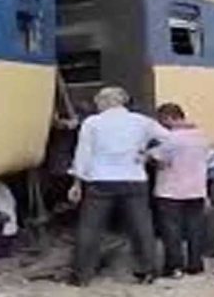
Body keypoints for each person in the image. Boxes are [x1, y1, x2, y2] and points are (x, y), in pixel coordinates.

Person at [67, 86, 171, 286]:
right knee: (141, 226)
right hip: (134, 179)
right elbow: (170, 139)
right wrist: (150, 154)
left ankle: (81, 274)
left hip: (100, 181)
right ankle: (147, 271)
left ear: (105, 102)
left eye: (98, 101)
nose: (96, 105)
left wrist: (77, 182)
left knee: (90, 228)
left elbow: (83, 154)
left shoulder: (92, 123)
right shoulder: (142, 121)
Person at [149, 103, 211, 278]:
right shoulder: (201, 136)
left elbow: (160, 160)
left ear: (169, 117)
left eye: (162, 120)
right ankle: (195, 264)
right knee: (195, 229)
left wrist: (148, 156)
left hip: (171, 190)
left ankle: (174, 267)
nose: (161, 124)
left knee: (171, 230)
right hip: (196, 188)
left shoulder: (170, 139)